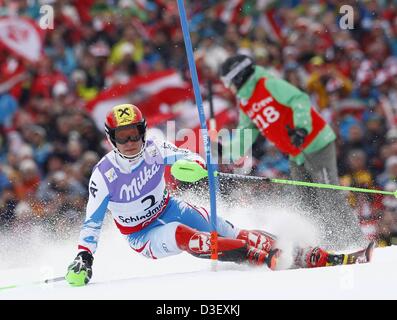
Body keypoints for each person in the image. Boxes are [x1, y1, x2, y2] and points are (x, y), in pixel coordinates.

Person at [65, 104, 364, 287]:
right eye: (122, 137)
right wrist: (84, 257)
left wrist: (191, 166)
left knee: (230, 230)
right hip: (142, 235)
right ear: (111, 139)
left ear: (143, 132)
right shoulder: (103, 175)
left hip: (169, 208)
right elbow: (91, 223)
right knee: (182, 234)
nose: (131, 142)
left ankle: (312, 254)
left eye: (135, 134)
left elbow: (189, 156)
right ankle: (259, 257)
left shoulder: (155, 149)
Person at [219, 54, 366, 249]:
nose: (229, 88)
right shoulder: (246, 102)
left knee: (328, 194)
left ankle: (352, 243)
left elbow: (299, 99)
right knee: (305, 200)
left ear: (238, 77)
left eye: (229, 83)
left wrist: (301, 128)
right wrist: (225, 149)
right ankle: (324, 245)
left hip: (316, 143)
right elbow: (246, 132)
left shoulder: (268, 84)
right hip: (296, 154)